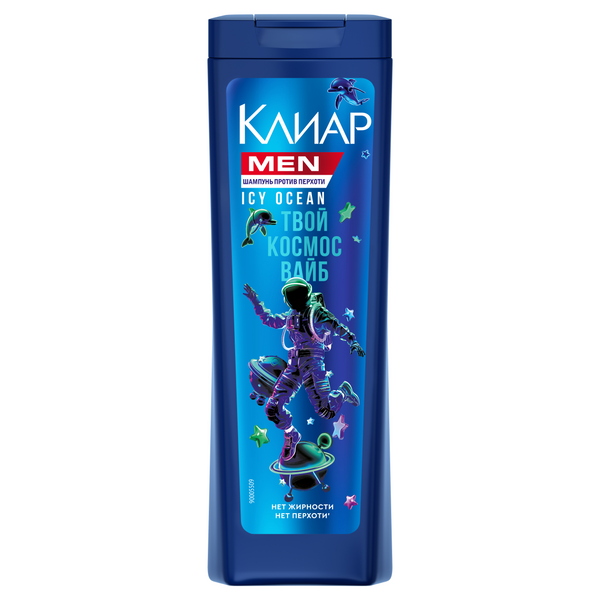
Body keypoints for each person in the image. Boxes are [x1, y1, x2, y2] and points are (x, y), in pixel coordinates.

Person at [243, 278, 365, 462]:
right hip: (294, 364)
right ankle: (291, 434)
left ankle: (343, 392)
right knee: (273, 408)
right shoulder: (291, 315)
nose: (289, 301)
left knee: (326, 410)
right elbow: (270, 320)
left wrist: (352, 341)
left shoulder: (317, 313)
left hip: (312, 363)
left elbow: (336, 326)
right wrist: (256, 301)